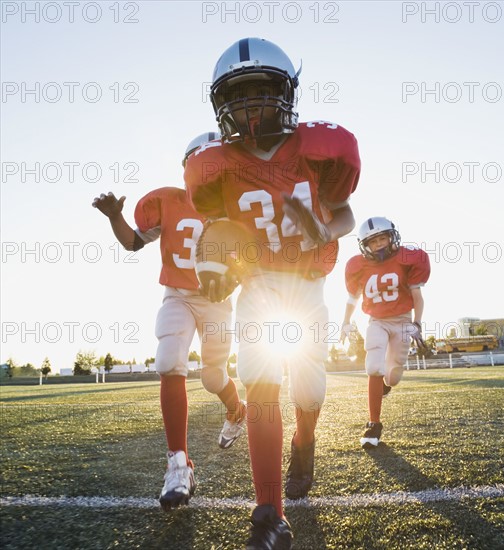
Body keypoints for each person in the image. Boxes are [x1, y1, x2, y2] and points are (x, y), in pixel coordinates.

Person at [185, 38, 360, 549]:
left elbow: (345, 212)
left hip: (307, 286)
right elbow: (217, 227)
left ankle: (304, 441)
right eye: (237, 96)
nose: (249, 105)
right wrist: (212, 262)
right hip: (258, 288)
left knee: (309, 394)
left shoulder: (319, 149)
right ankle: (269, 515)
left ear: (285, 94)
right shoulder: (212, 163)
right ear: (221, 106)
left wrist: (323, 232)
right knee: (261, 386)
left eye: (260, 91)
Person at [92, 132, 246, 511]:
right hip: (177, 294)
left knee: (212, 376)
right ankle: (179, 465)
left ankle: (236, 409)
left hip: (216, 302)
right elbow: (132, 242)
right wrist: (116, 217)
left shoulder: (239, 207)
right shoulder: (169, 202)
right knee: (168, 360)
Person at [340, 217, 430, 449]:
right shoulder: (358, 266)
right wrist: (345, 322)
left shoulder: (407, 259)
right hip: (377, 321)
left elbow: (417, 296)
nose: (379, 244)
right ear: (364, 246)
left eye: (383, 238)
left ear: (392, 237)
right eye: (373, 241)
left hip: (401, 321)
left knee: (393, 376)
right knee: (373, 365)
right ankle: (374, 424)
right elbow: (352, 299)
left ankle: (386, 385)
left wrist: (417, 323)